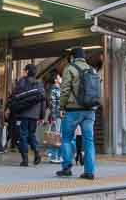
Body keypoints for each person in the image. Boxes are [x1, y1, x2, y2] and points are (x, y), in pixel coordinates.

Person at [57, 47, 97, 180]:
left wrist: (61, 106)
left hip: (73, 110)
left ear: (73, 57)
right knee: (89, 141)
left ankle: (67, 168)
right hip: (90, 110)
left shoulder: (70, 68)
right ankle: (89, 171)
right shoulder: (92, 70)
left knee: (67, 138)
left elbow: (65, 90)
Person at [11, 64, 45, 167]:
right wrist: (42, 116)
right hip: (34, 115)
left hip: (23, 114)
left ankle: (25, 159)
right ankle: (37, 153)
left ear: (26, 72)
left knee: (23, 135)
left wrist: (13, 111)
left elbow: (15, 97)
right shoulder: (39, 83)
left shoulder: (21, 82)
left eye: (23, 70)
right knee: (32, 134)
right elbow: (43, 101)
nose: (23, 72)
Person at [48, 71, 62, 163]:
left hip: (59, 116)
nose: (61, 78)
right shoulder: (54, 90)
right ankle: (54, 156)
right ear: (55, 80)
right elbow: (53, 104)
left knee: (57, 135)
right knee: (56, 136)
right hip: (56, 116)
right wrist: (53, 117)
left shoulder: (59, 89)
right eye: (59, 77)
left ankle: (55, 155)